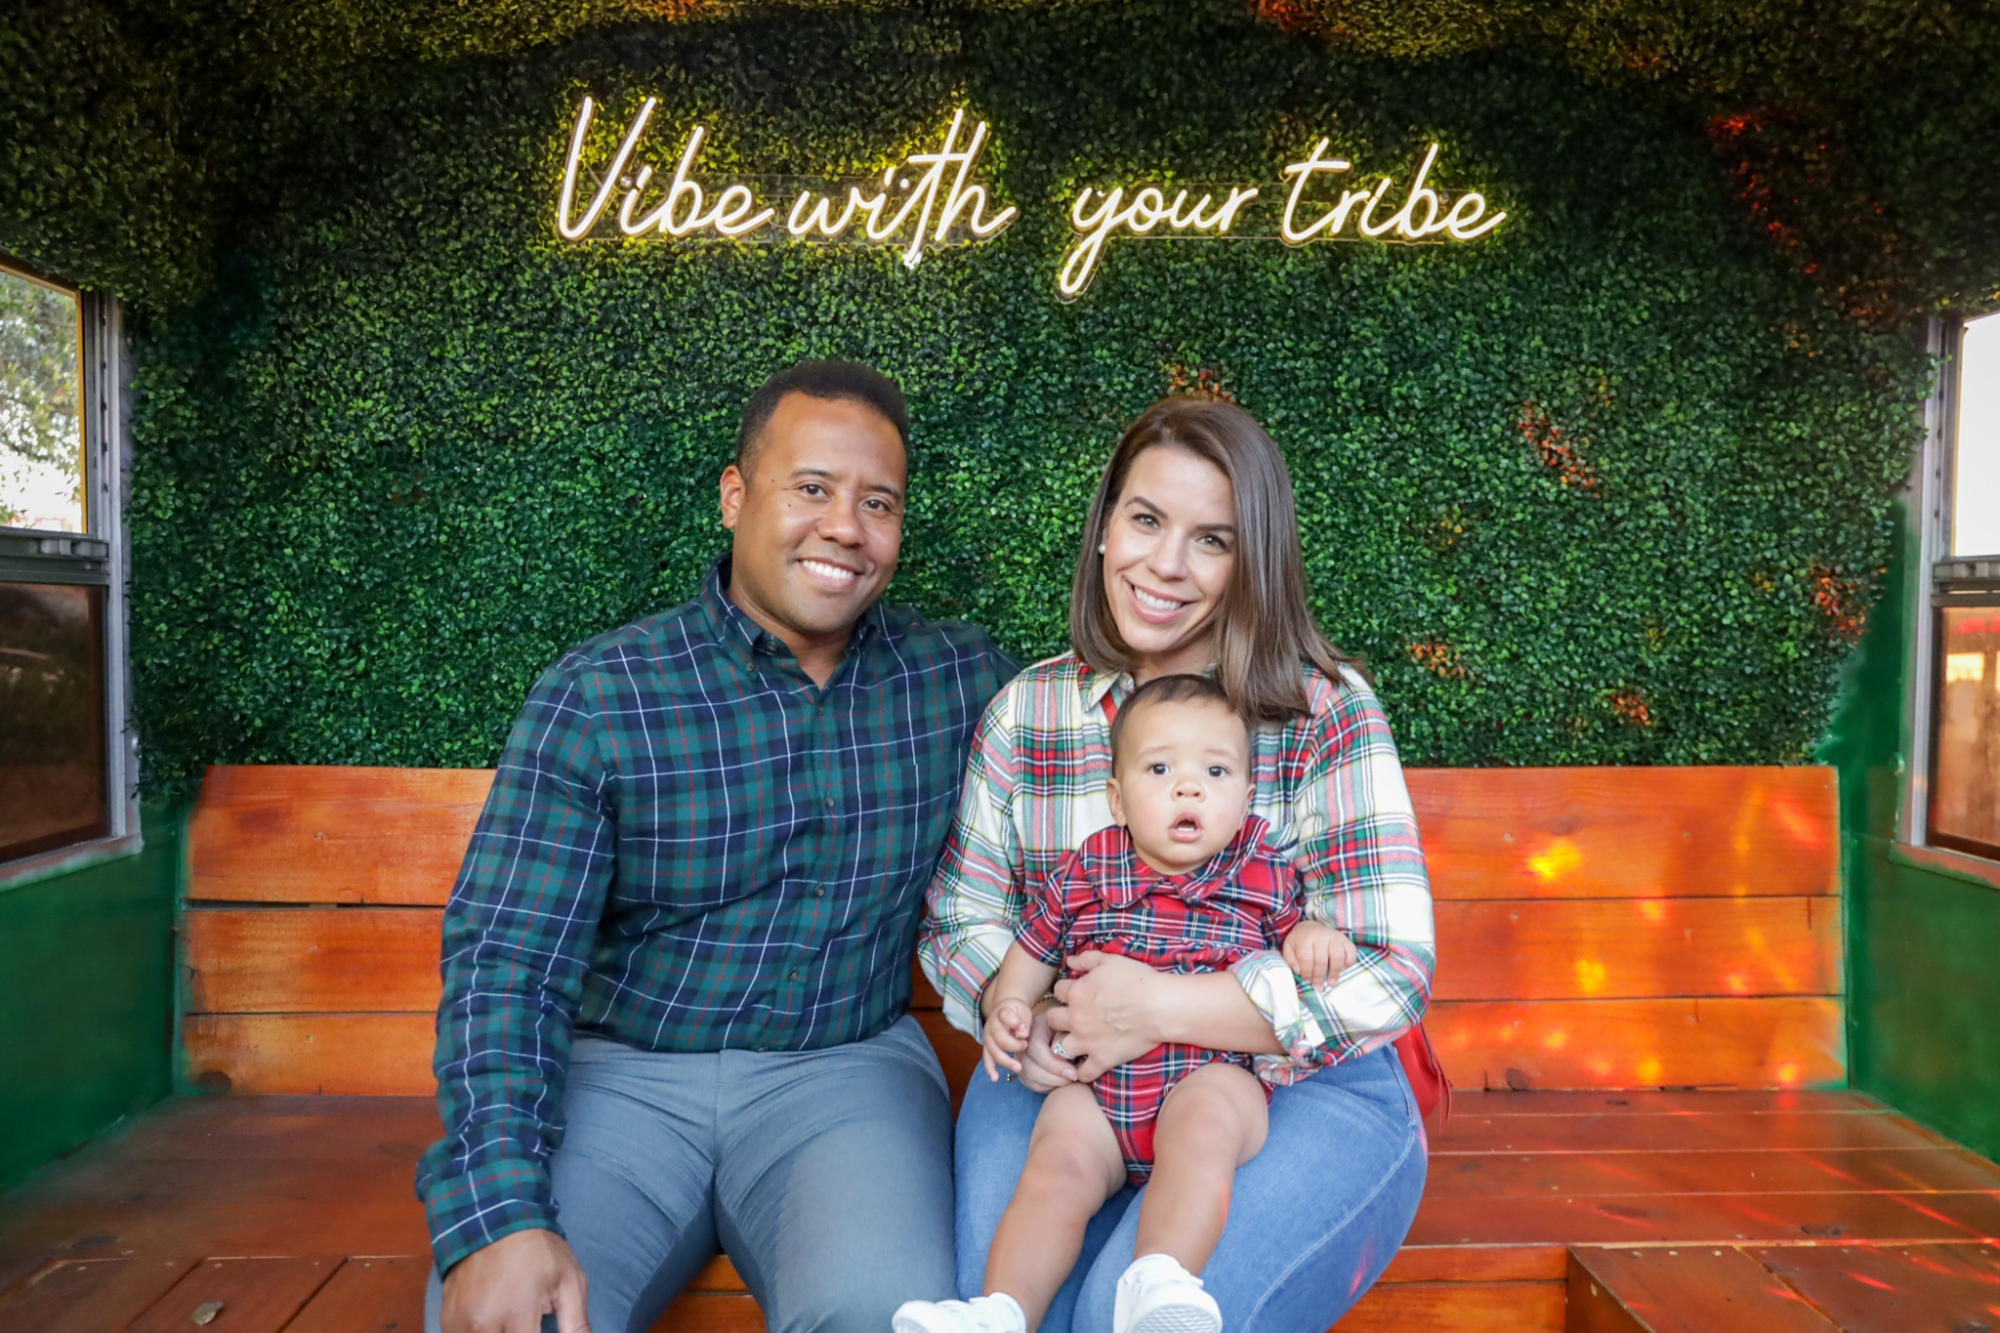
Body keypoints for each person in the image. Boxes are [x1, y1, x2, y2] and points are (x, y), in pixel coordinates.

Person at [416, 360, 1016, 1333]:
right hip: (618, 1077)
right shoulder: (601, 695)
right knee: (505, 1319)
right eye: (811, 488)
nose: (844, 527)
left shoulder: (958, 679)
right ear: (734, 496)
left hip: (844, 1071)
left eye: (877, 502)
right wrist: (495, 1214)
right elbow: (506, 965)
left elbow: (1118, 738)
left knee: (881, 1316)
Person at [920, 396, 1436, 1333]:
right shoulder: (1031, 711)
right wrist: (1022, 1014)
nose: (1164, 564)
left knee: (1126, 1319)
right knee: (1007, 1309)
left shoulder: (1325, 715)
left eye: (1212, 540)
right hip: (1068, 1070)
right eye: (1146, 520)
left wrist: (1152, 1005)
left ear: (1254, 563)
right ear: (1107, 525)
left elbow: (1390, 972)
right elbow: (964, 913)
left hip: (1291, 1082)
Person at [895, 675, 1357, 1333]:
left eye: (1216, 770)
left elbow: (1292, 936)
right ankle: (1000, 1310)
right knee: (1054, 1165)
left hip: (1209, 1076)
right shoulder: (1089, 867)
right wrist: (1011, 1005)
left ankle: (1160, 1279)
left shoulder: (1259, 871)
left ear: (1248, 797)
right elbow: (1034, 944)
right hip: (1098, 1090)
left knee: (1205, 1131)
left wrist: (1311, 935)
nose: (1189, 786)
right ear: (1117, 797)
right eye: (1161, 766)